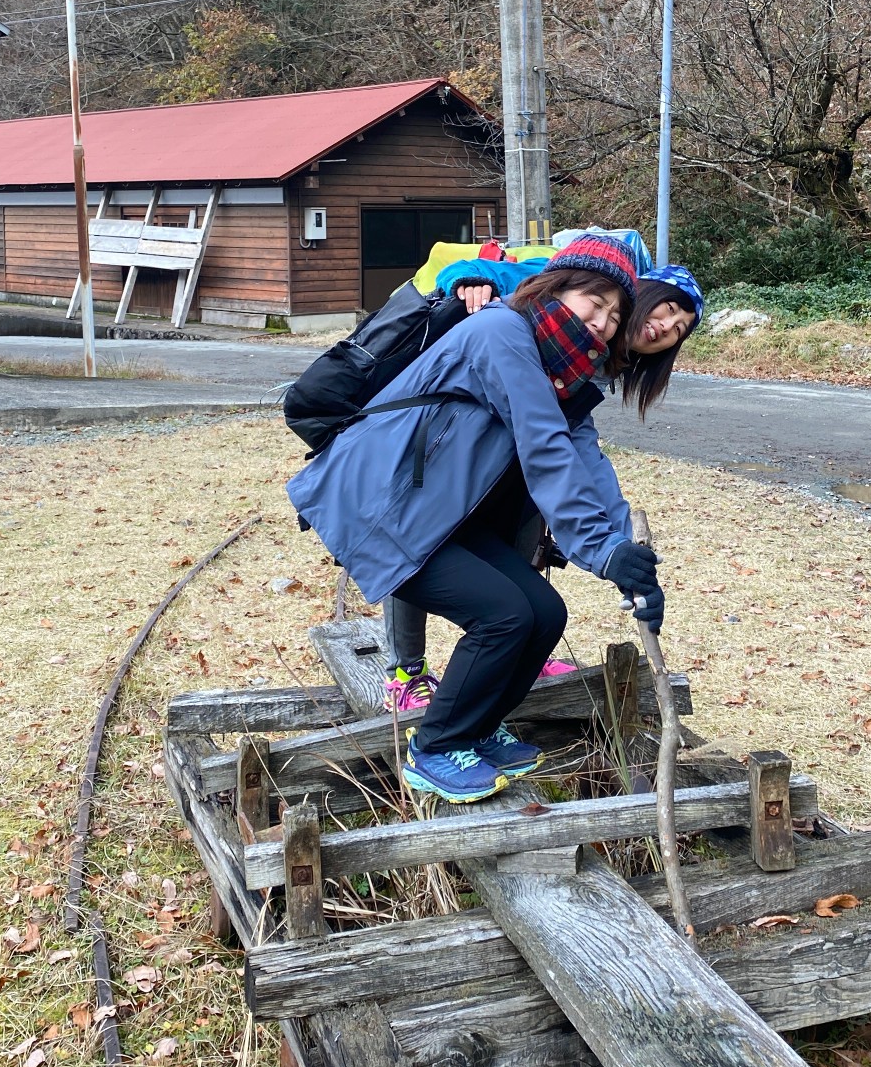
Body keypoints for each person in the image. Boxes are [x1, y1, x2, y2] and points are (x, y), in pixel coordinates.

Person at [286, 234, 664, 802]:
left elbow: (586, 458)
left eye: (616, 316)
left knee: (544, 611)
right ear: (557, 287)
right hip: (378, 507)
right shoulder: (502, 333)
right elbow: (545, 448)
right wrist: (601, 552)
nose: (606, 323)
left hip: (428, 512)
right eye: (597, 302)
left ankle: (478, 730)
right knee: (506, 615)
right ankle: (435, 748)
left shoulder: (559, 370)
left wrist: (621, 553)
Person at [381, 249, 704, 710]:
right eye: (668, 308)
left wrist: (621, 546)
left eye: (678, 331)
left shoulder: (602, 352)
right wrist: (468, 281)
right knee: (420, 547)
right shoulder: (582, 291)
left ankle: (522, 652)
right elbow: (482, 271)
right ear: (645, 292)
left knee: (524, 547)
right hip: (440, 447)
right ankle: (405, 671)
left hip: (507, 461)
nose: (666, 327)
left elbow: (581, 452)